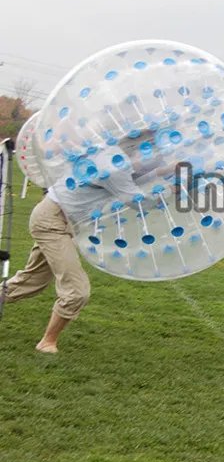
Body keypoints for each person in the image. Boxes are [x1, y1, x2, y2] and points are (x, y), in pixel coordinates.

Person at [0, 139, 142, 353]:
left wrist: (168, 170)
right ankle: (47, 342)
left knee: (32, 281)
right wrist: (173, 187)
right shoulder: (113, 162)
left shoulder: (108, 151)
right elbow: (137, 200)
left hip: (60, 219)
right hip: (52, 220)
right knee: (77, 291)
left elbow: (137, 174)